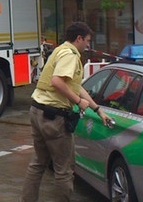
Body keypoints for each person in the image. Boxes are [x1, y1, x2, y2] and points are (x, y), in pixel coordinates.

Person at [19, 22, 113, 202]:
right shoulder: (70, 56)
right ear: (78, 38)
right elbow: (57, 82)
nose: (88, 45)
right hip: (54, 118)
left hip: (38, 111)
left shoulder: (60, 50)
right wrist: (78, 102)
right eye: (87, 40)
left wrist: (97, 109)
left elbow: (75, 87)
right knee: (64, 170)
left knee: (38, 164)